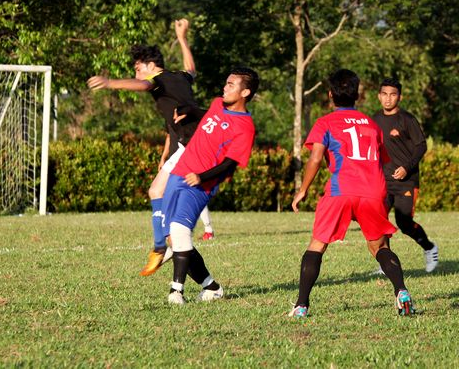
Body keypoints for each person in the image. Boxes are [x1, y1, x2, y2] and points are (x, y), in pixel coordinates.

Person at [87, 18, 214, 277]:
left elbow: (144, 84)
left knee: (169, 212)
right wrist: (182, 37)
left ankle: (162, 245)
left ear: (151, 65)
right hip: (190, 143)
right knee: (156, 190)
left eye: (137, 68)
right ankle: (164, 247)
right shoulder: (179, 77)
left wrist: (110, 83)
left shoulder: (157, 79)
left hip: (192, 146)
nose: (136, 74)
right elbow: (191, 69)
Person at [289, 69, 415, 318]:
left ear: (330, 95)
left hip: (341, 189)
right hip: (373, 190)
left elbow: (315, 158)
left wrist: (302, 190)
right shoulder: (372, 124)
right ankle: (401, 291)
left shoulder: (325, 122)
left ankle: (302, 306)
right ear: (357, 95)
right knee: (379, 246)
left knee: (317, 245)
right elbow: (380, 159)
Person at [161, 66, 259, 304]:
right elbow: (205, 113)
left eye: (231, 85)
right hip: (179, 172)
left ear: (245, 92)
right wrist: (188, 110)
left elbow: (229, 164)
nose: (225, 88)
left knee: (180, 232)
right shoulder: (217, 104)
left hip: (200, 184)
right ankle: (211, 287)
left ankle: (176, 291)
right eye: (226, 83)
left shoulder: (245, 127)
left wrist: (202, 177)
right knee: (172, 237)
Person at [372, 78, 438, 273]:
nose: (388, 98)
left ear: (399, 97)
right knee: (380, 222)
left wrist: (406, 168)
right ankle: (386, 263)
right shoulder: (374, 120)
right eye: (384, 94)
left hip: (406, 182)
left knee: (404, 222)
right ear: (379, 96)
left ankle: (429, 248)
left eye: (393, 94)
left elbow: (421, 146)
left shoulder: (407, 119)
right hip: (383, 181)